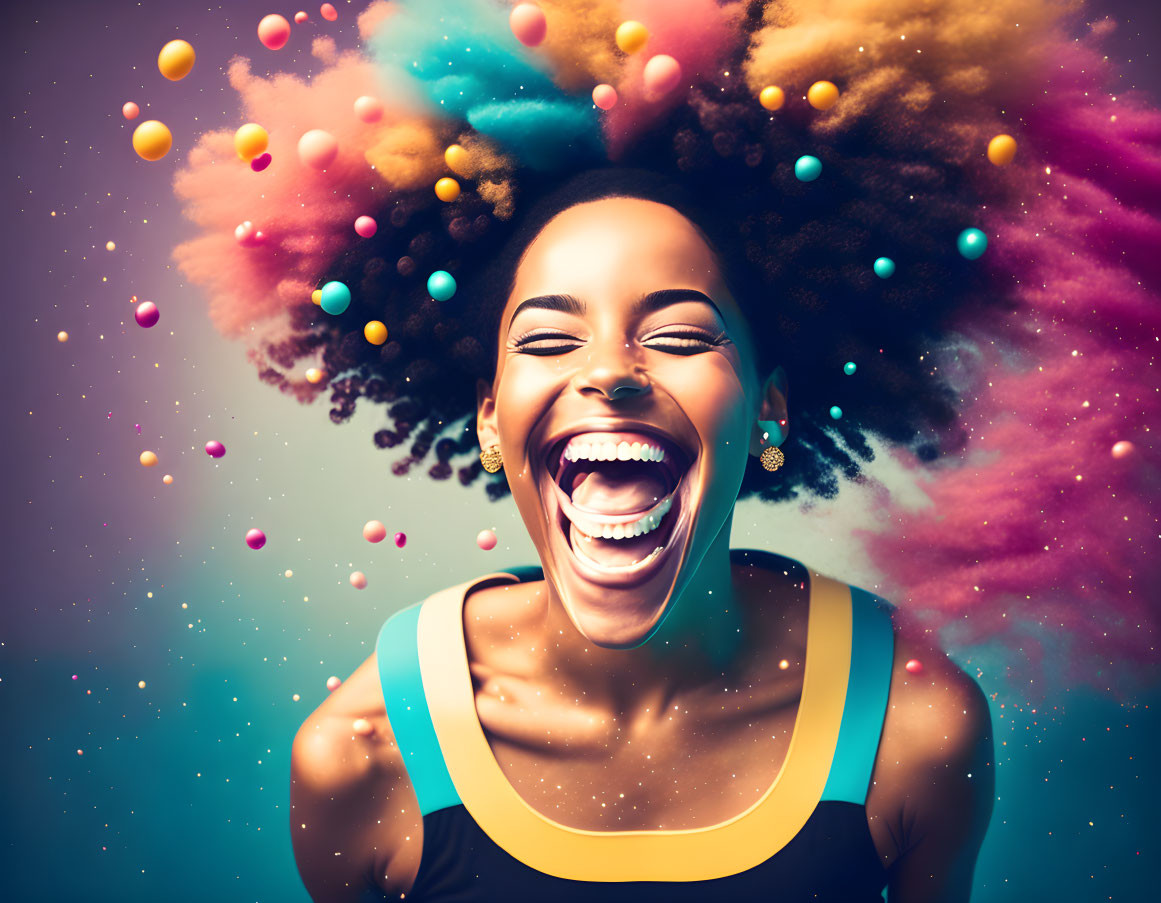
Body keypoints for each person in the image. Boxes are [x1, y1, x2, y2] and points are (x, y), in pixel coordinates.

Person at [288, 167, 995, 902]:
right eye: (548, 337)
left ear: (768, 409)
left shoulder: (912, 729)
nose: (608, 372)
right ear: (489, 417)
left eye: (680, 335)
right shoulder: (362, 757)